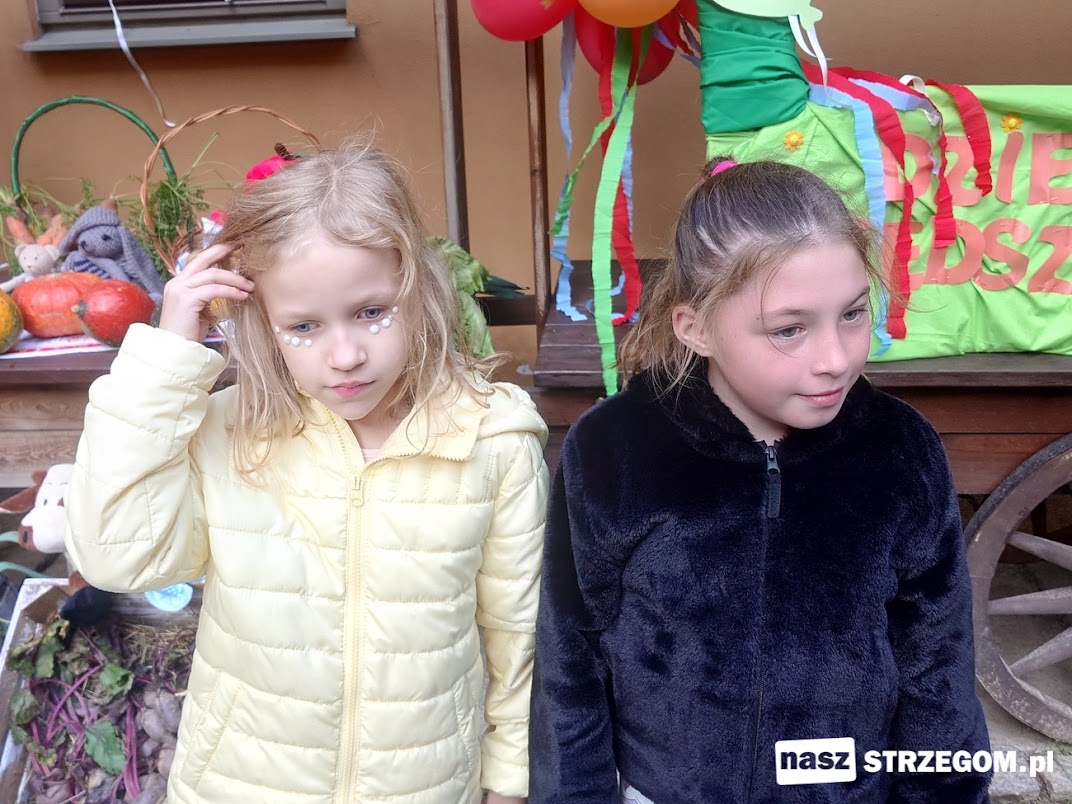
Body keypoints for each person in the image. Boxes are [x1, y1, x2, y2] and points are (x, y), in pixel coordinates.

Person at [65, 139, 549, 804]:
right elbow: (117, 556)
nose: (344, 355)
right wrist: (166, 361)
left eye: (372, 312)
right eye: (302, 326)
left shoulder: (493, 440)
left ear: (420, 291)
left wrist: (510, 780)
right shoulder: (228, 432)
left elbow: (519, 634)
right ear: (261, 321)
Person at [529, 158, 991, 802]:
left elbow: (936, 659)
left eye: (853, 314)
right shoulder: (611, 449)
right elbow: (571, 653)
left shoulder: (901, 450)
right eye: (789, 329)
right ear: (695, 328)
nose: (835, 359)